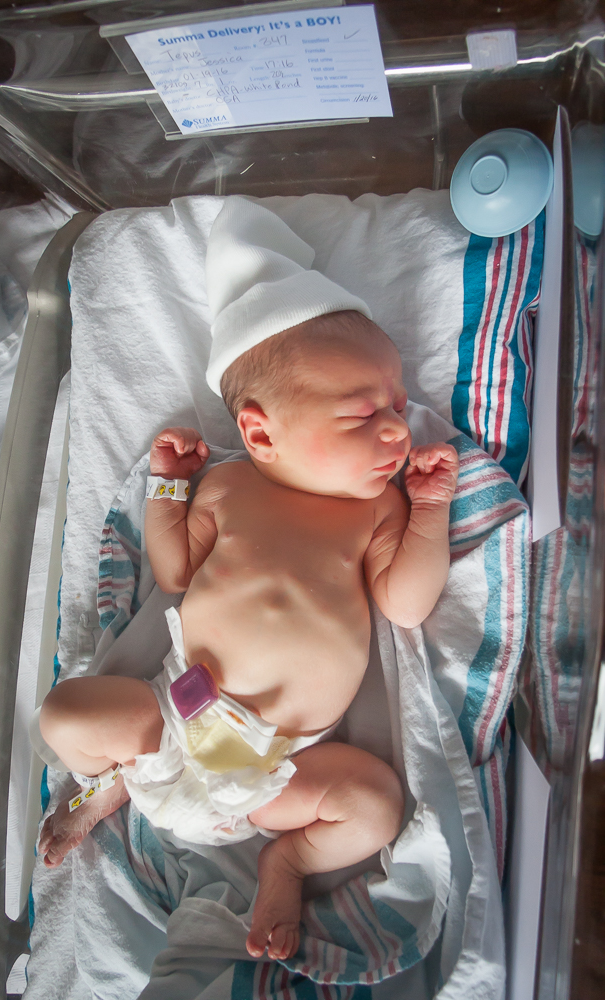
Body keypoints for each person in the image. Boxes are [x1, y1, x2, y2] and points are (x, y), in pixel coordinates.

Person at [37, 199, 459, 963]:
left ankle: (286, 861)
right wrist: (168, 486)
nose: (398, 428)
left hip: (285, 764)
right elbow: (171, 572)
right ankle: (112, 786)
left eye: (395, 404)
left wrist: (428, 508)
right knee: (66, 715)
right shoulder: (229, 490)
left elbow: (404, 601)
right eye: (362, 414)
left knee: (373, 805)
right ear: (261, 433)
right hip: (170, 719)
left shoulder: (375, 509)